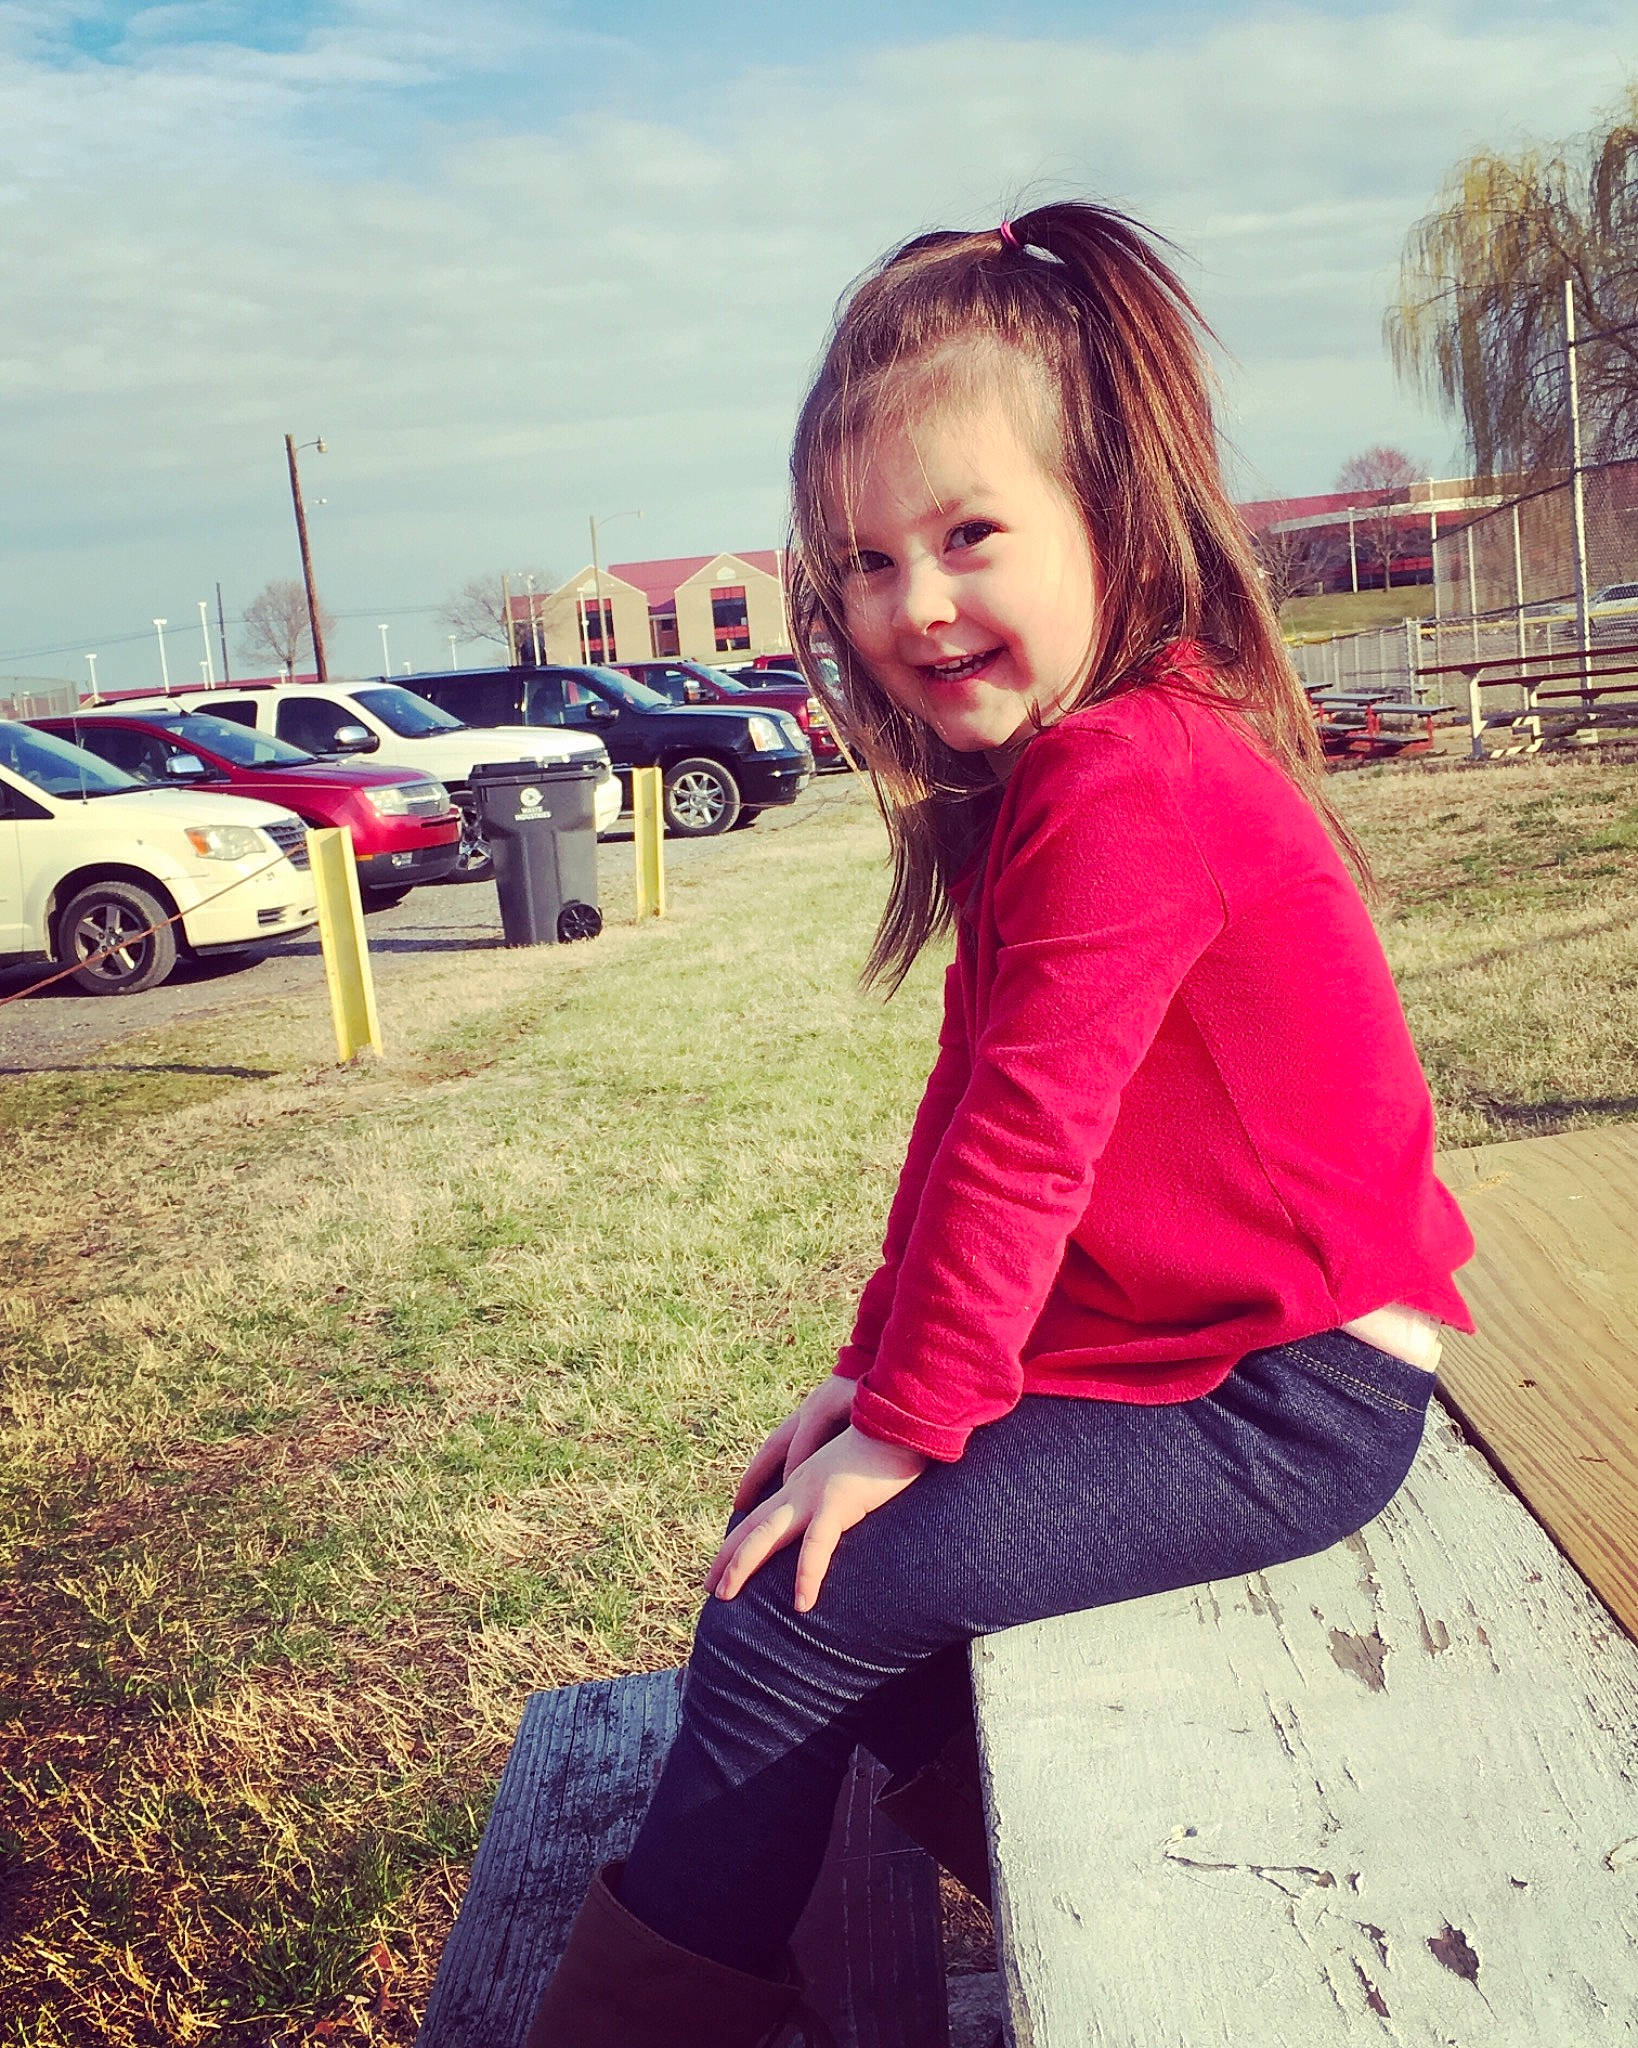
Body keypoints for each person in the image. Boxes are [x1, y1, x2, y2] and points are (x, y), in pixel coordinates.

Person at [524, 200, 1475, 2047]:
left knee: (794, 1600)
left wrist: (908, 1430)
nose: (914, 605)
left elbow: (1028, 1152)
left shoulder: (1134, 780)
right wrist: (871, 1384)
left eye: (969, 536)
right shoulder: (1073, 774)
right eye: (868, 561)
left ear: (1112, 515)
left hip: (1287, 1394)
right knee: (804, 1546)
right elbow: (969, 1116)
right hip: (1199, 1362)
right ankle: (1117, 1871)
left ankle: (641, 2025)